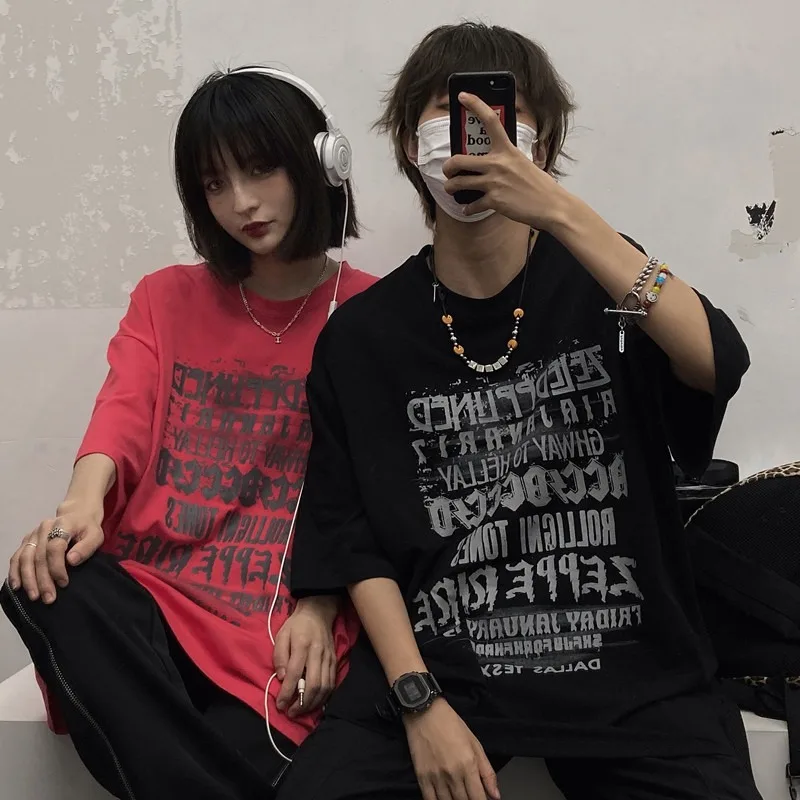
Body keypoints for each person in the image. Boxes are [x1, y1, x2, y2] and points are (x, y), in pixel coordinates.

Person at [276, 21, 760, 800]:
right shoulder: (362, 338)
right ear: (407, 143)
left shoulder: (607, 279)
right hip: (448, 669)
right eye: (447, 112)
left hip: (635, 681)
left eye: (500, 113)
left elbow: (713, 361)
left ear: (544, 142)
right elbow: (355, 539)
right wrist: (416, 698)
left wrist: (561, 212)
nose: (474, 131)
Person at [2, 65, 375, 800]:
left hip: (271, 627)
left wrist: (321, 603)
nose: (240, 202)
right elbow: (123, 407)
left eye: (260, 169)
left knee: (222, 757)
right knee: (50, 579)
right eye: (214, 183)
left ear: (321, 161)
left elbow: (371, 493)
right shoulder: (165, 298)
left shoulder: (369, 314)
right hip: (152, 604)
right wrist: (80, 503)